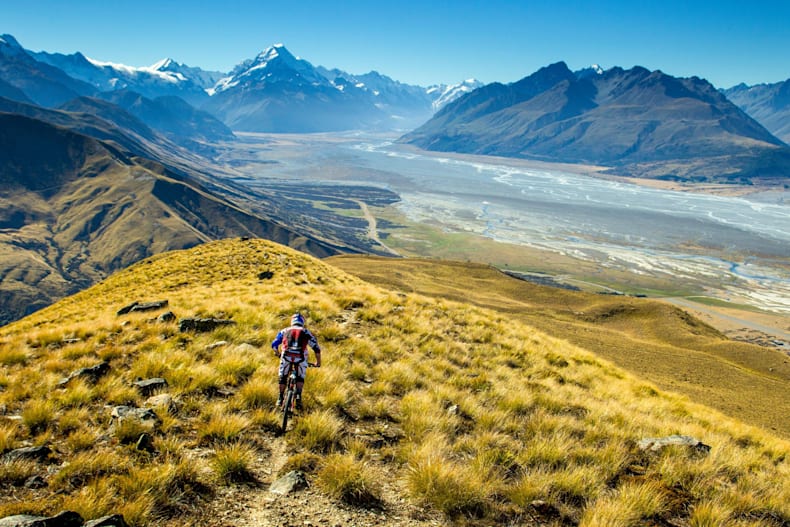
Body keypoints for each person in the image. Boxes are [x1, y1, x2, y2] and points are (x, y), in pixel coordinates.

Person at [271, 312, 321, 410]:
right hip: (301, 358)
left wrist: (277, 352)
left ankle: (280, 397)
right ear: (302, 322)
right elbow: (316, 348)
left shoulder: (284, 331)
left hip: (286, 357)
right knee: (300, 377)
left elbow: (274, 344)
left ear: (292, 321)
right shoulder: (306, 332)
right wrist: (318, 362)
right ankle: (298, 396)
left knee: (283, 376)